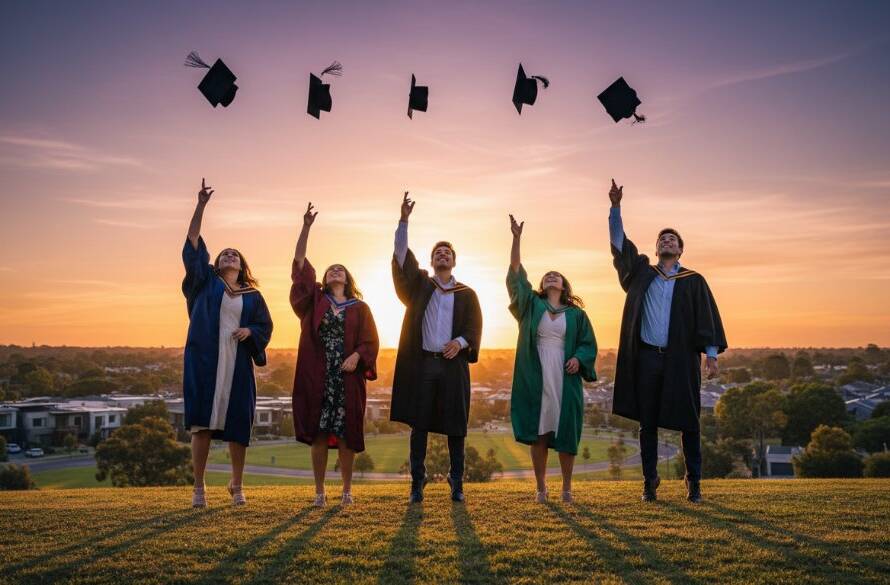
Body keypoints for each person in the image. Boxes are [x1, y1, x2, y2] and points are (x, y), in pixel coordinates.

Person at [607, 179, 727, 502]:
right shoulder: (643, 272)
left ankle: (694, 481)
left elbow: (707, 320)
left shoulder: (694, 281)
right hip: (647, 357)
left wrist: (712, 356)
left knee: (690, 421)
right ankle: (650, 481)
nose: (667, 241)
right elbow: (620, 246)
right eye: (662, 238)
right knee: (648, 423)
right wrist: (615, 208)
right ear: (657, 247)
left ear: (680, 248)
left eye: (672, 238)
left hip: (681, 359)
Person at [182, 178, 273, 508]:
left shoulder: (253, 295)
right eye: (224, 254)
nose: (229, 256)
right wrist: (201, 205)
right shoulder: (205, 282)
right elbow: (193, 242)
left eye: (234, 254)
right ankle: (199, 487)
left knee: (237, 424)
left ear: (242, 265)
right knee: (202, 423)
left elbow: (265, 325)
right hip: (205, 359)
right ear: (217, 263)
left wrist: (250, 332)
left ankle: (236, 485)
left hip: (237, 363)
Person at [390, 192, 483, 503]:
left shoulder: (466, 293)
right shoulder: (421, 286)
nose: (442, 254)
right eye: (438, 252)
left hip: (453, 366)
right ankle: (418, 482)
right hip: (424, 365)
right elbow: (402, 256)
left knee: (456, 426)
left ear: (454, 260)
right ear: (432, 261)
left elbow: (474, 327)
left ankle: (456, 482)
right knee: (420, 426)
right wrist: (403, 220)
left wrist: (460, 342)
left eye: (447, 252)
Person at [290, 203, 380, 507]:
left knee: (345, 435)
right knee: (318, 433)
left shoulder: (360, 308)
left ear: (348, 278)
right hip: (318, 374)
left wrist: (358, 356)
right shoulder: (316, 300)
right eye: (331, 270)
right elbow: (300, 265)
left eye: (340, 269)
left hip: (347, 376)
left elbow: (370, 341)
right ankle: (318, 492)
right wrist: (306, 227)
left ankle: (346, 491)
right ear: (325, 279)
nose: (335, 271)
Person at [506, 215, 597, 503]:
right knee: (539, 430)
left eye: (556, 275)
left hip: (564, 374)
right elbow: (516, 277)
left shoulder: (577, 315)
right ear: (543, 285)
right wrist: (517, 239)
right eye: (547, 276)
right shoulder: (532, 305)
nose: (551, 277)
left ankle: (567, 488)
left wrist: (579, 360)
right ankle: (541, 488)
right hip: (535, 371)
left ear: (565, 285)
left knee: (566, 430)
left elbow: (587, 344)